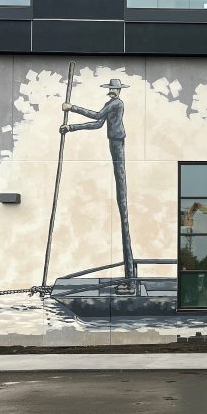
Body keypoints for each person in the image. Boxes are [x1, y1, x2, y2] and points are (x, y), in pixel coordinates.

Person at [61, 79, 136, 280]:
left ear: (117, 90)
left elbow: (96, 116)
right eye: (111, 88)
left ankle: (130, 275)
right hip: (113, 140)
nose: (112, 90)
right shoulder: (110, 104)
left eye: (114, 88)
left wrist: (72, 107)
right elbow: (97, 124)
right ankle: (130, 273)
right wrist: (71, 128)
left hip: (118, 141)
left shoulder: (116, 103)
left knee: (122, 193)